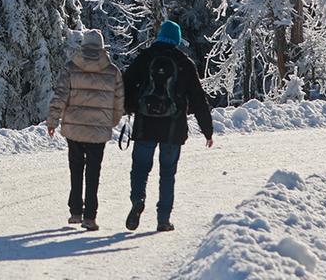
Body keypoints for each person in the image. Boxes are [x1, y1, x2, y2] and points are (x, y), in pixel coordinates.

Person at [123, 20, 215, 233]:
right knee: (167, 173)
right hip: (173, 128)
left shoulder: (146, 58)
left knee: (140, 168)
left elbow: (126, 83)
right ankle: (163, 219)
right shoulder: (184, 63)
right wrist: (207, 131)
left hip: (145, 124)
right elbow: (199, 99)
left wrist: (129, 107)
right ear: (176, 39)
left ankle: (138, 199)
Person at [47, 30, 124, 232]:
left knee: (76, 169)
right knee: (93, 173)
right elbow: (119, 101)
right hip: (99, 130)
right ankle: (90, 217)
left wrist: (53, 120)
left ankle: (75, 212)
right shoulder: (112, 71)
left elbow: (60, 95)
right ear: (101, 46)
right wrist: (111, 122)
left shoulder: (71, 68)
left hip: (74, 128)